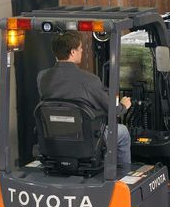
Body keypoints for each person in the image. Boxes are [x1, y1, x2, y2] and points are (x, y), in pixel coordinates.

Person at [37, 31, 132, 167]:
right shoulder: (89, 80)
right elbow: (113, 110)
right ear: (73, 52)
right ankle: (124, 173)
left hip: (54, 137)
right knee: (122, 132)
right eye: (80, 48)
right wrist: (123, 106)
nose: (82, 50)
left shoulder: (42, 77)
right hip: (85, 139)